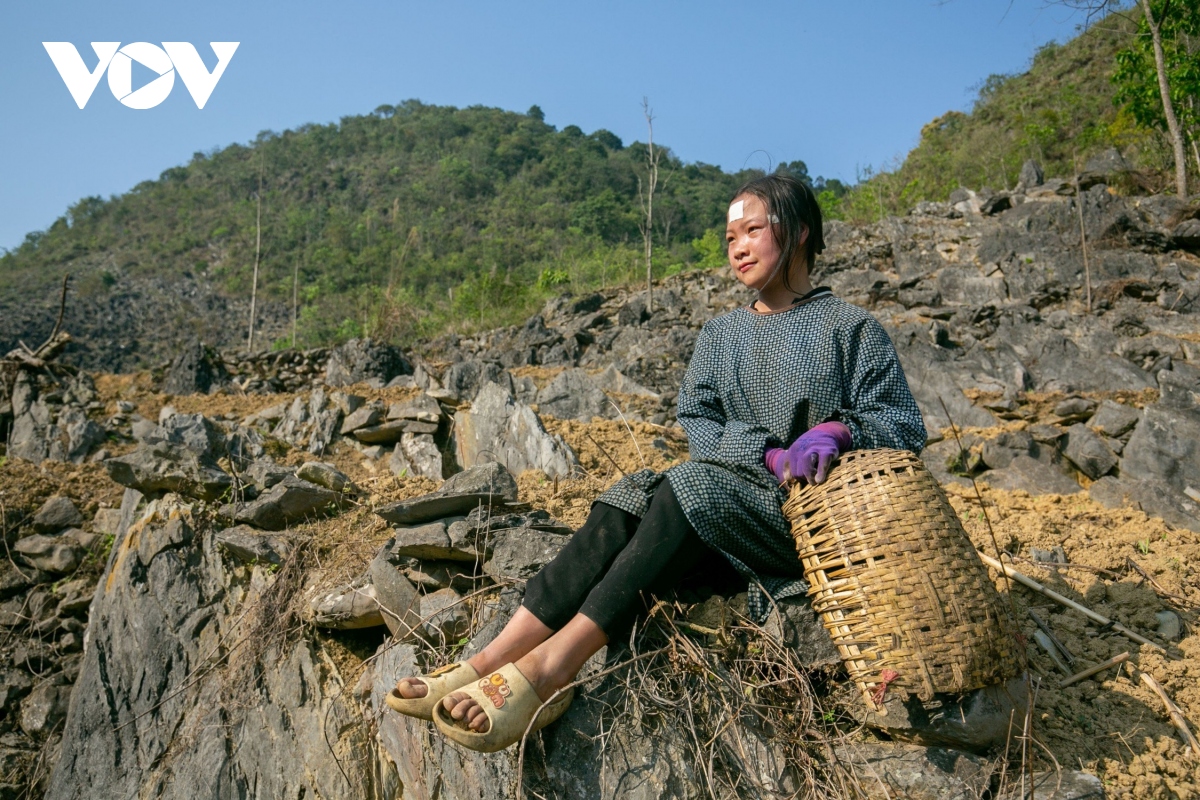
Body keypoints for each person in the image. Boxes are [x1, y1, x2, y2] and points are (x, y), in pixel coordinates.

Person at [386, 173, 927, 752]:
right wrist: (764, 451)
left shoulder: (852, 329)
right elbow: (698, 423)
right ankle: (489, 658)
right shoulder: (720, 336)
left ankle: (551, 671)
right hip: (726, 504)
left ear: (797, 233)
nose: (738, 247)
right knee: (635, 491)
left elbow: (903, 426)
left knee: (689, 485)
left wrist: (837, 430)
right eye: (729, 237)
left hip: (803, 524)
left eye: (752, 230)